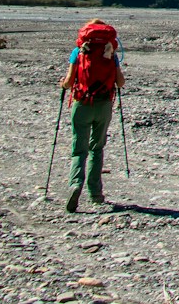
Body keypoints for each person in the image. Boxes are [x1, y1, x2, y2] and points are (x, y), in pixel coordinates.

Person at [60, 18, 123, 212]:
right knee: (97, 147)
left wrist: (63, 84)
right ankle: (96, 193)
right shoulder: (110, 54)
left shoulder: (78, 53)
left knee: (79, 148)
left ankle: (75, 184)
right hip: (103, 104)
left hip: (82, 103)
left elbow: (69, 82)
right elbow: (120, 82)